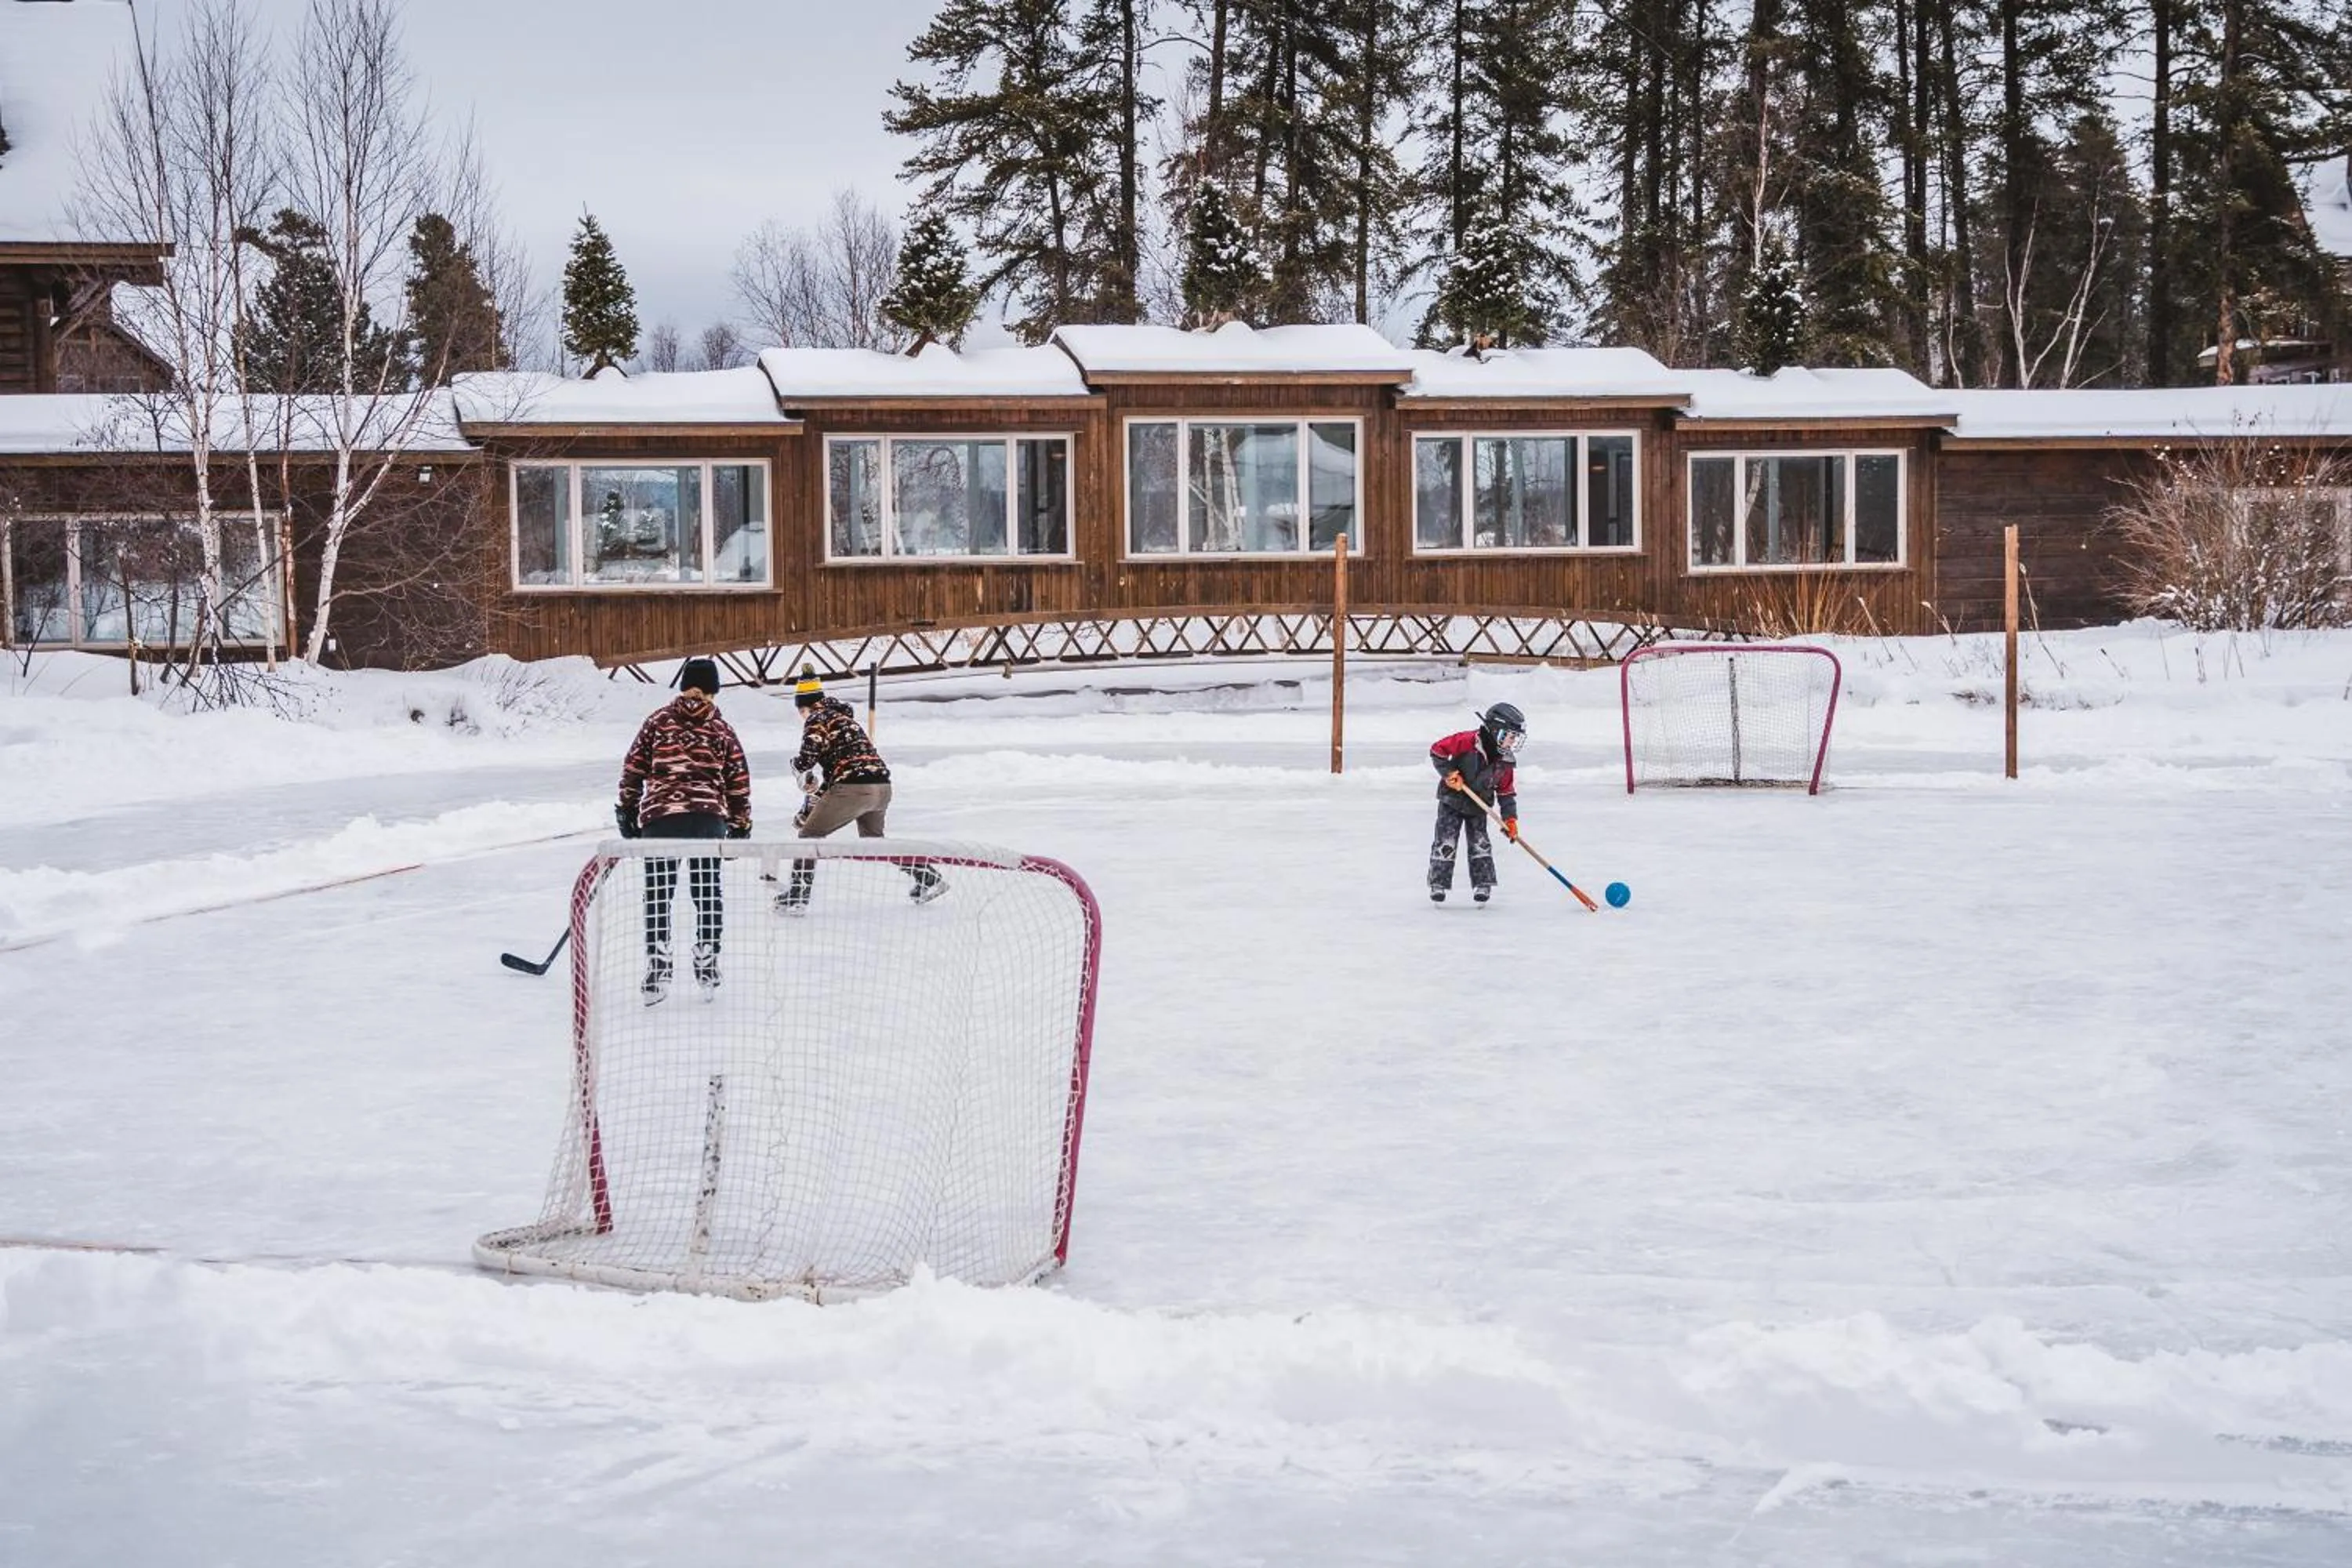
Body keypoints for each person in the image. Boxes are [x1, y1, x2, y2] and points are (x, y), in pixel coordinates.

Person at [616, 656, 752, 1003]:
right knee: (706, 891)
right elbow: (738, 780)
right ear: (714, 690)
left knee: (659, 892)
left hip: (661, 818)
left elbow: (633, 767)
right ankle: (707, 958)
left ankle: (658, 965)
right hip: (707, 819)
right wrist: (740, 823)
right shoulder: (721, 729)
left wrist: (627, 810)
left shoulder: (657, 721)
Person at [776, 666, 946, 913]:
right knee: (875, 841)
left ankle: (797, 896)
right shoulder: (845, 719)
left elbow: (809, 758)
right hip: (881, 787)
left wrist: (797, 766)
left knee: (807, 838)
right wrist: (814, 799)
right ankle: (928, 877)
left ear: (804, 707)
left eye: (800, 712)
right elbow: (841, 772)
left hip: (854, 787)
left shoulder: (817, 717)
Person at [1427, 702, 1526, 906]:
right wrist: (1449, 774)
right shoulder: (1468, 741)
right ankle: (1438, 883)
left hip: (1479, 805)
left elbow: (1506, 792)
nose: (1512, 741)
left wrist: (1510, 819)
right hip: (1452, 800)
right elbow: (1437, 750)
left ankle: (1483, 883)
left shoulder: (1505, 762)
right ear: (1495, 730)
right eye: (1510, 736)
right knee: (1446, 841)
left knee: (1480, 843)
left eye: (1516, 737)